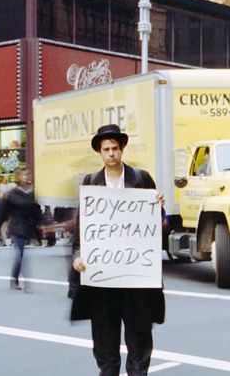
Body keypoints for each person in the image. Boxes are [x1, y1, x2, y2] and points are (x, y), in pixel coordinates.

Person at [71, 124, 165, 376]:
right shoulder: (91, 183)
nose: (111, 153)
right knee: (105, 346)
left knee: (139, 344)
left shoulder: (141, 178)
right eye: (106, 149)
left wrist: (159, 206)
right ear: (100, 153)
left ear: (122, 149)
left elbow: (156, 225)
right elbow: (81, 230)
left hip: (136, 279)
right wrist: (77, 257)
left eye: (115, 148)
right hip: (102, 280)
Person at [0, 169, 42, 291]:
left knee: (22, 254)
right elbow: (1, 213)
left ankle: (15, 279)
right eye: (25, 175)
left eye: (29, 175)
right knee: (20, 254)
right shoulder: (12, 194)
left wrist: (43, 226)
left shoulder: (33, 193)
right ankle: (20, 282)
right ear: (19, 178)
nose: (27, 177)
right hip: (16, 226)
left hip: (29, 226)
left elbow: (37, 213)